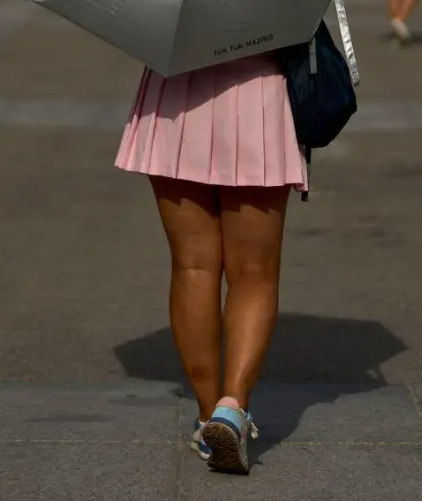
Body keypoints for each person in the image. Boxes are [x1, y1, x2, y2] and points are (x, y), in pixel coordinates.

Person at [116, 56, 306, 475]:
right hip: (259, 87)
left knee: (192, 266)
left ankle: (207, 419)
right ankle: (232, 409)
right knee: (253, 271)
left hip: (176, 90)